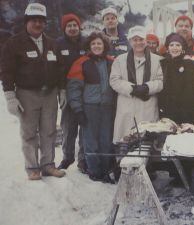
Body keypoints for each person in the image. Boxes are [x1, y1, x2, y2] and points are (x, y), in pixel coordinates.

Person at [1, 3, 66, 180]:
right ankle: (32, 167)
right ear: (26, 22)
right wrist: (9, 96)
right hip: (26, 93)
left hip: (50, 94)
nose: (38, 24)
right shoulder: (14, 43)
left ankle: (48, 165)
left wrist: (62, 90)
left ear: (45, 23)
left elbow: (60, 68)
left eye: (41, 21)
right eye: (34, 20)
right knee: (29, 132)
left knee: (49, 130)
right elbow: (6, 71)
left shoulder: (52, 43)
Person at [67, 32, 115, 183]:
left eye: (99, 43)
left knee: (106, 140)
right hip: (90, 107)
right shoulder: (81, 63)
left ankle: (106, 169)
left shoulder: (111, 62)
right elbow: (74, 88)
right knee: (91, 141)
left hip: (108, 107)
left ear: (104, 46)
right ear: (89, 46)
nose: (96, 46)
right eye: (93, 44)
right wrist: (78, 110)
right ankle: (94, 171)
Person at [110, 26, 163, 143]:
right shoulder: (120, 60)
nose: (138, 43)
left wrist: (147, 87)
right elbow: (114, 80)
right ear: (130, 41)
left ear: (146, 41)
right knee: (125, 142)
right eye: (135, 40)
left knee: (147, 144)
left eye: (141, 39)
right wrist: (132, 89)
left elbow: (161, 81)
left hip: (148, 107)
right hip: (127, 107)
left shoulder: (158, 60)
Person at [56, 13, 87, 173]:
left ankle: (83, 158)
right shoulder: (58, 44)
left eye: (75, 25)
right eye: (69, 26)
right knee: (68, 126)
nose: (73, 28)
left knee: (85, 126)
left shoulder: (86, 42)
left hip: (85, 90)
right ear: (64, 28)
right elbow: (55, 69)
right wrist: (60, 89)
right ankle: (67, 157)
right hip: (66, 90)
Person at [159, 33, 194, 124]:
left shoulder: (188, 63)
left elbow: (191, 89)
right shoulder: (163, 63)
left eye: (178, 45)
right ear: (168, 48)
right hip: (168, 107)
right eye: (171, 45)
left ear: (182, 48)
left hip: (185, 108)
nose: (174, 48)